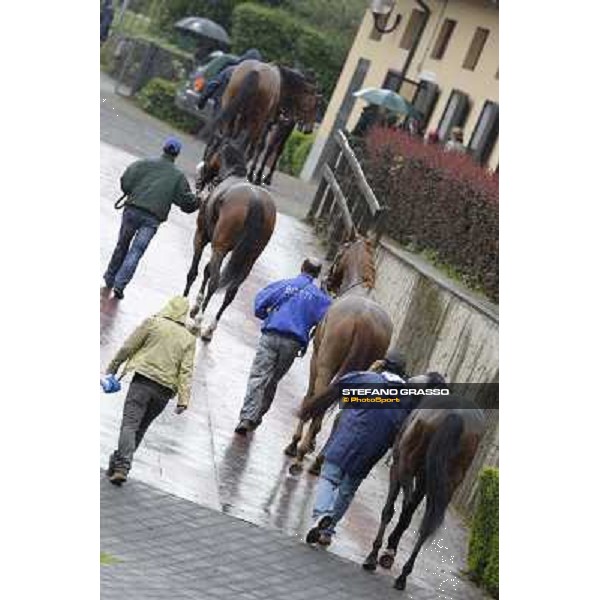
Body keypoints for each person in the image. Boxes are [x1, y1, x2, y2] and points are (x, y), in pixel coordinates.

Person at [304, 351, 418, 547]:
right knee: (347, 490)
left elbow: (341, 389)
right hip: (374, 448)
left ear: (383, 364)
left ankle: (322, 514)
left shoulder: (367, 378)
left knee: (329, 478)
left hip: (348, 437)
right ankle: (328, 531)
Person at [103, 296, 197, 485]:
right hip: (163, 392)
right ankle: (119, 461)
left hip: (142, 383)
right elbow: (186, 370)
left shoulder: (153, 323)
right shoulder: (189, 338)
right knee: (141, 428)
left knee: (129, 425)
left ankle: (122, 466)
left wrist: (113, 368)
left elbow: (128, 347)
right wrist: (183, 399)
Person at [235, 258, 332, 435]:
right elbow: (327, 319)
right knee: (272, 380)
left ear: (301, 267)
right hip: (292, 344)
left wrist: (265, 315)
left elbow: (261, 301)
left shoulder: (285, 284)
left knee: (258, 377)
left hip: (271, 335)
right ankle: (257, 417)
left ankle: (247, 417)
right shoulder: (319, 297)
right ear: (317, 275)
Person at [103, 137, 198, 299]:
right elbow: (186, 203)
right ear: (177, 154)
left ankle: (109, 278)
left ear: (164, 148)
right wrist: (200, 200)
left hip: (132, 211)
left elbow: (126, 180)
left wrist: (131, 191)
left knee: (122, 245)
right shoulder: (178, 177)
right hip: (152, 219)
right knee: (136, 251)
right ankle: (120, 285)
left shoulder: (143, 163)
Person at [197, 49, 263, 112]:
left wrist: (201, 102)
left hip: (218, 106)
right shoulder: (257, 80)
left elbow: (213, 84)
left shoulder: (230, 70)